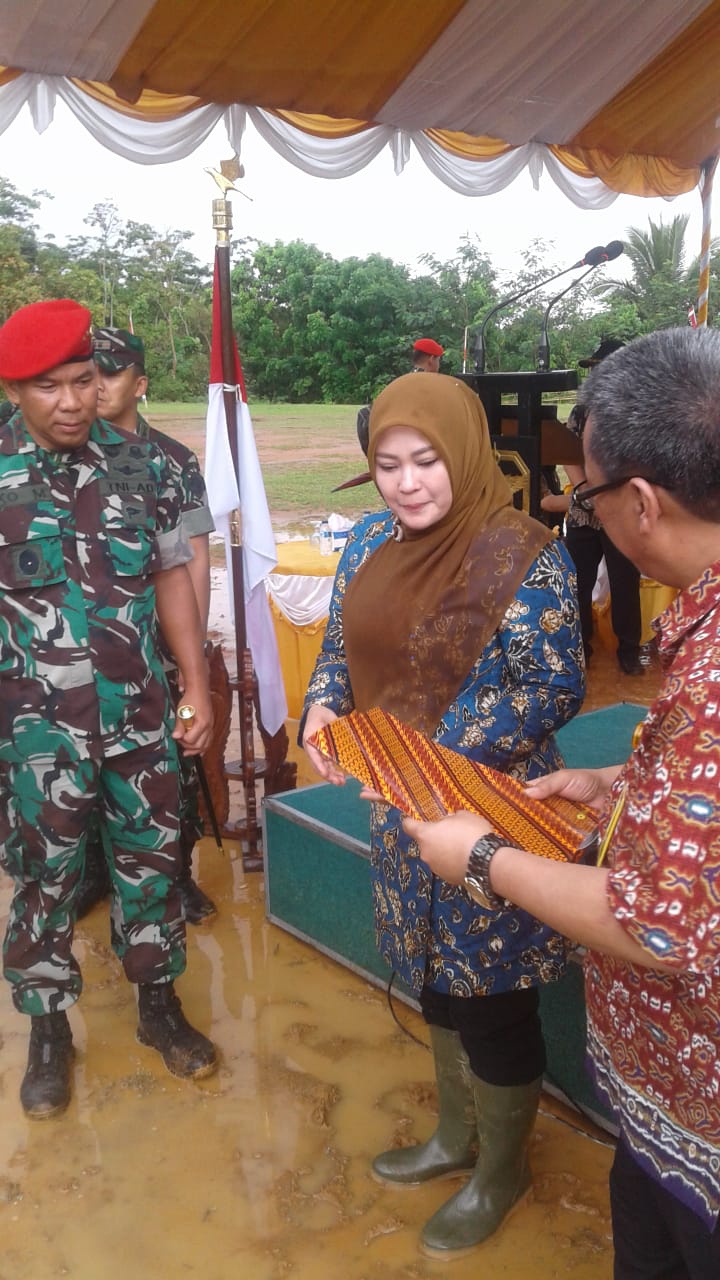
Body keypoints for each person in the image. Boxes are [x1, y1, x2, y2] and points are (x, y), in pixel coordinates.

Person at [404, 328, 720, 1278]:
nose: (408, 481)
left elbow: (663, 929)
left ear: (640, 503)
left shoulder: (707, 673)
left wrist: (484, 860)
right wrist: (616, 780)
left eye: (584, 492)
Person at [301, 372, 585, 1258]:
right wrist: (323, 704)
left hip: (494, 810)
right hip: (401, 815)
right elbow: (343, 649)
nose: (407, 482)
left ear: (464, 453)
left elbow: (554, 686)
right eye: (387, 464)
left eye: (427, 460)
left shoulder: (523, 553)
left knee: (493, 998)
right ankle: (454, 1139)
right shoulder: (371, 542)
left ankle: (502, 1170)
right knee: (431, 977)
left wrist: (420, 745)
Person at [0, 299, 217, 1120]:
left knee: (152, 862)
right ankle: (48, 1028)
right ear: (14, 390)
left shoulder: (143, 466)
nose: (69, 402)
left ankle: (159, 1004)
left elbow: (170, 578)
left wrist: (194, 686)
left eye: (83, 381)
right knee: (44, 877)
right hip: (33, 732)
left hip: (139, 713)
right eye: (46, 386)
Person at [72, 326, 216, 924]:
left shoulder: (170, 460)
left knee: (171, 768)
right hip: (91, 649)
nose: (97, 387)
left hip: (160, 645)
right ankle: (97, 875)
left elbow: (192, 559)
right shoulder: (67, 454)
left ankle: (174, 874)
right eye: (89, 373)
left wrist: (194, 658)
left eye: (109, 373)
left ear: (141, 384)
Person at [542, 338, 644, 675]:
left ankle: (629, 650)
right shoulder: (581, 410)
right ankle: (580, 643)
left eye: (602, 366)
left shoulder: (638, 408)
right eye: (594, 368)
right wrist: (585, 488)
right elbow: (568, 452)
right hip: (584, 510)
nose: (597, 373)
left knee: (624, 581)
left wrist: (612, 496)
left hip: (618, 511)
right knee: (577, 580)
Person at [356, 337, 445, 455]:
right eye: (438, 360)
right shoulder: (430, 384)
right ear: (431, 359)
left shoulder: (401, 379)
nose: (438, 365)